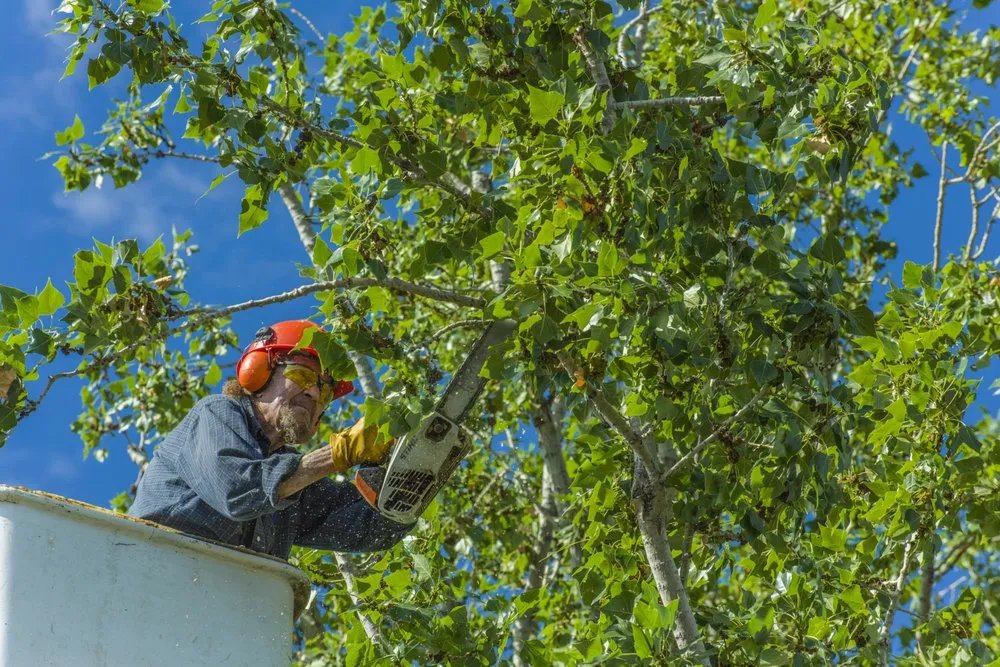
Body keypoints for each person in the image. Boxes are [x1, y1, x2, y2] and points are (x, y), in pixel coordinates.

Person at [129, 320, 411, 559]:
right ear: (258, 373)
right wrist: (339, 452)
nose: (314, 393)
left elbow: (368, 527)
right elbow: (238, 490)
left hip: (221, 598)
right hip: (152, 570)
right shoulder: (216, 412)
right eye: (302, 375)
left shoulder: (295, 482)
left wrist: (410, 471)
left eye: (325, 392)